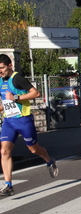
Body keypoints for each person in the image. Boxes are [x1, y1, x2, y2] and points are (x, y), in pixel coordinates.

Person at [0, 54, 58, 196]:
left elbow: (36, 93)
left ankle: (50, 161)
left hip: (23, 120)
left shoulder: (17, 78)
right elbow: (4, 104)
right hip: (9, 121)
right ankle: (8, 185)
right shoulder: (1, 81)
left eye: (1, 68)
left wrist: (16, 97)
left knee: (34, 150)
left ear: (9, 66)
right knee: (4, 151)